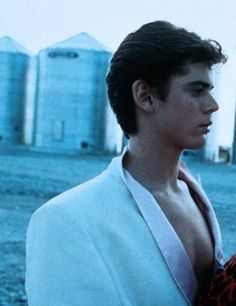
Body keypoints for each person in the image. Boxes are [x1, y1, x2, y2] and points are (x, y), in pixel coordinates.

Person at [25, 21, 226, 306]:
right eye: (196, 90)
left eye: (210, 90)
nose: (213, 104)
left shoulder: (195, 194)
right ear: (146, 97)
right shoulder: (66, 219)